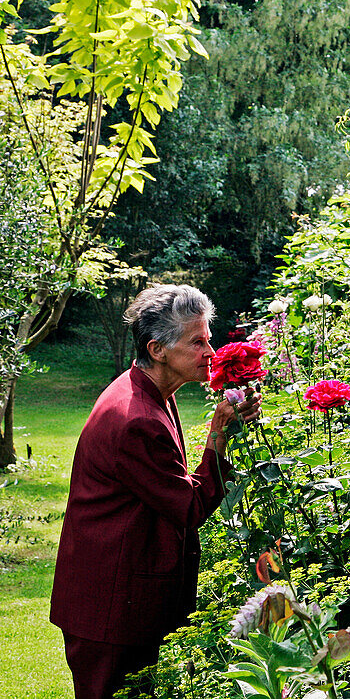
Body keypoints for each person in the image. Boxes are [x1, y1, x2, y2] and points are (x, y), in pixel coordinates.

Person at [50, 285, 260, 699]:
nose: (211, 352)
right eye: (196, 342)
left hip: (119, 599)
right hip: (113, 610)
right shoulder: (136, 419)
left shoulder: (149, 392)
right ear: (158, 349)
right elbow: (189, 506)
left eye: (209, 338)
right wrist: (219, 436)